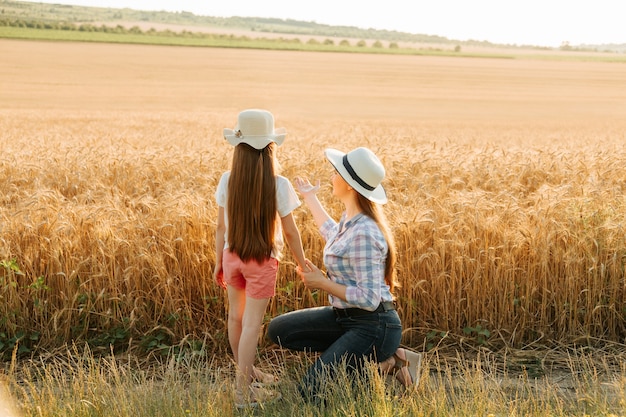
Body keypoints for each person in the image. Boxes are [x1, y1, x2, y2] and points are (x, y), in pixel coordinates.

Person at [266, 146, 421, 401]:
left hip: (374, 326)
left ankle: (386, 361)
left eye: (336, 172)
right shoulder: (351, 220)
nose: (331, 176)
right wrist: (310, 198)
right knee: (280, 329)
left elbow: (370, 299)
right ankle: (365, 362)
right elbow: (331, 232)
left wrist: (322, 283)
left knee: (311, 394)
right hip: (344, 318)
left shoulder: (365, 233)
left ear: (349, 185)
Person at [213, 109, 308, 408]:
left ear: (238, 148)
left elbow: (219, 227)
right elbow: (290, 232)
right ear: (270, 148)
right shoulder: (278, 184)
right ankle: (244, 393)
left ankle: (247, 372)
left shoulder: (227, 180)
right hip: (262, 261)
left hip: (232, 255)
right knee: (252, 325)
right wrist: (303, 263)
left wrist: (218, 261)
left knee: (235, 318)